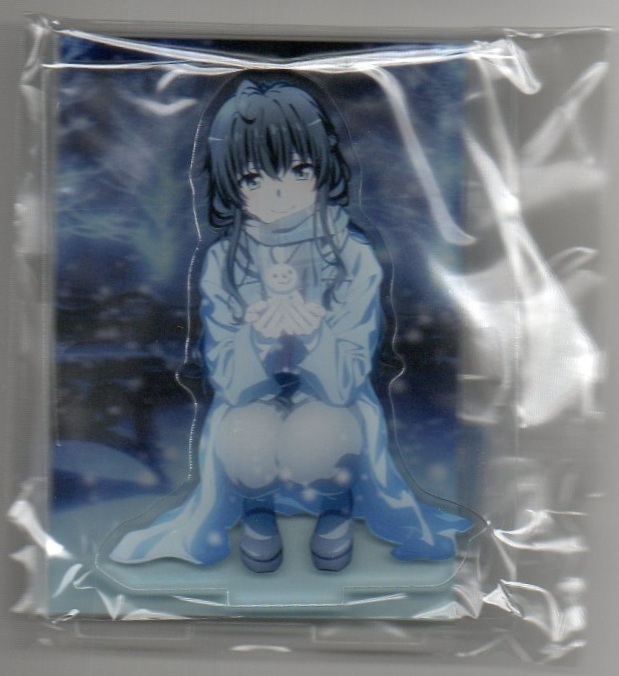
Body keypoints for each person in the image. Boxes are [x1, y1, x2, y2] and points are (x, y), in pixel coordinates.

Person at [110, 77, 472, 573]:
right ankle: (257, 512)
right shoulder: (225, 260)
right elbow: (227, 377)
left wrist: (312, 335)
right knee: (243, 431)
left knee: (319, 432)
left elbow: (347, 377)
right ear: (231, 185)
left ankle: (334, 507)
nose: (279, 192)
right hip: (250, 403)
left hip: (333, 405)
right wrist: (259, 338)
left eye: (299, 171)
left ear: (323, 169)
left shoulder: (351, 254)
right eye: (254, 178)